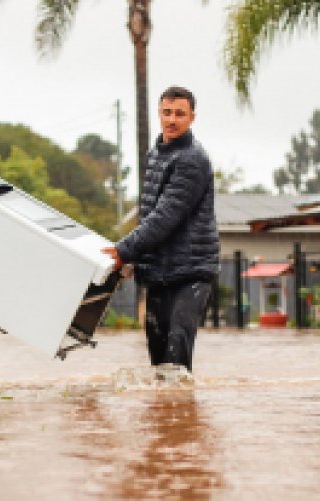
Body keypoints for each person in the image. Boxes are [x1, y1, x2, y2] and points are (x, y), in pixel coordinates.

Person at [103, 86, 220, 373]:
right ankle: (165, 417)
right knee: (157, 359)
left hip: (191, 271)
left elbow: (165, 217)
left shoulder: (192, 159)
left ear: (192, 117)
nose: (172, 119)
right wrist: (134, 259)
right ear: (159, 114)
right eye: (166, 112)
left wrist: (122, 251)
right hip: (158, 270)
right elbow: (149, 212)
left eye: (180, 113)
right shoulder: (155, 154)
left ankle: (184, 417)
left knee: (176, 355)